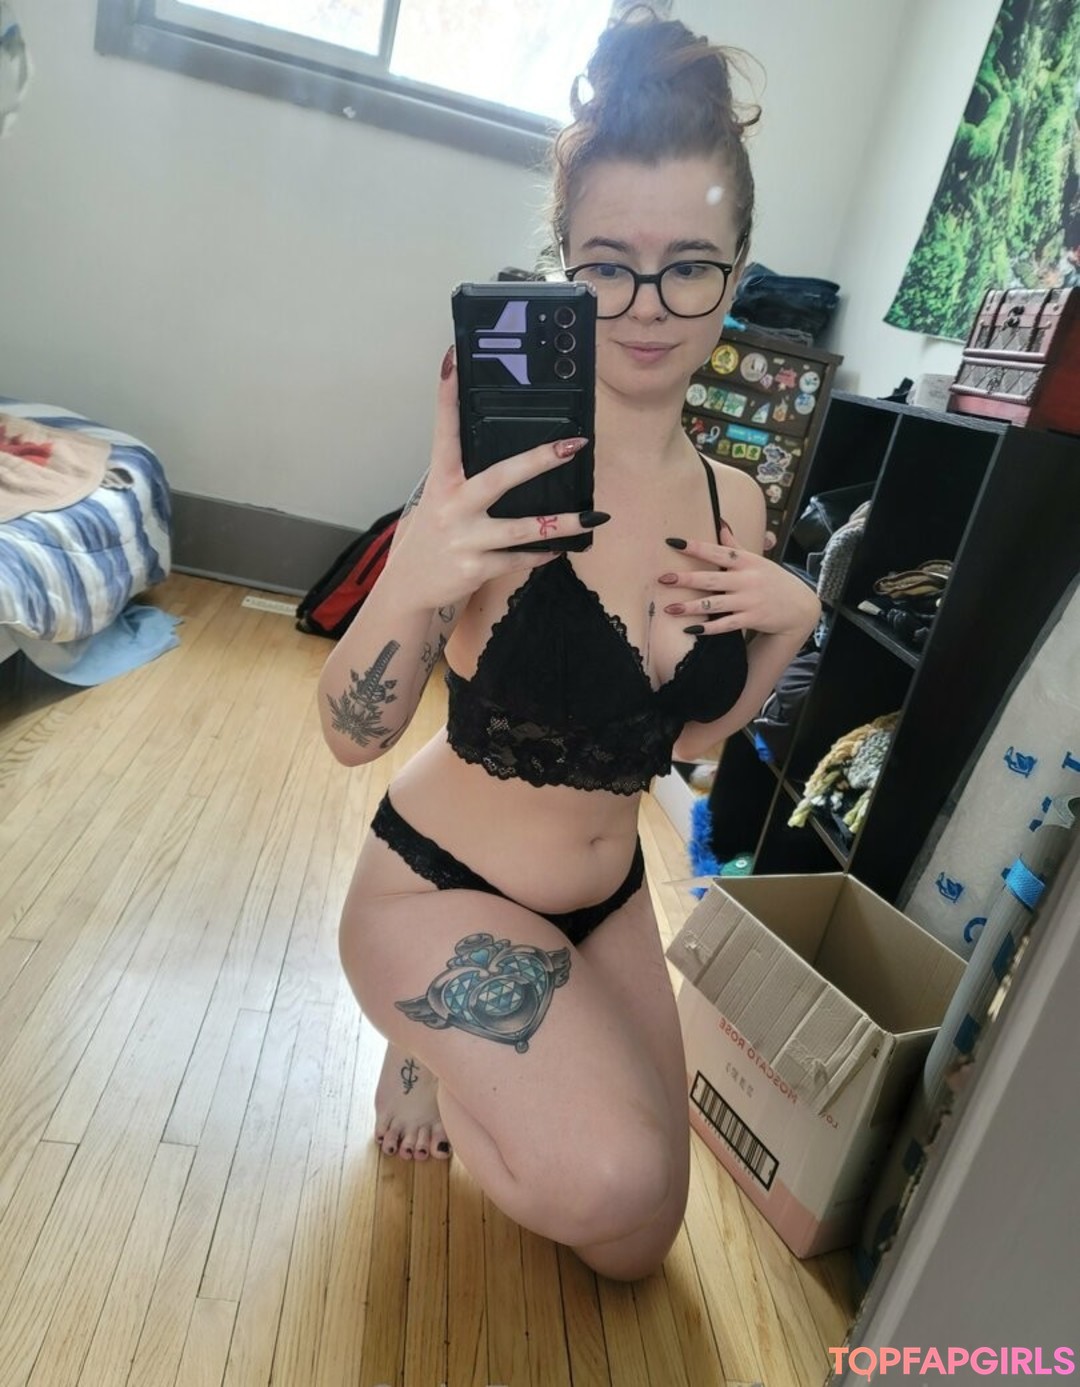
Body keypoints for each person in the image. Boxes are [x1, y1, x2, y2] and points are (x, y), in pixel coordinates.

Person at [318, 7, 820, 1283]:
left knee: (636, 1248)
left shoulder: (737, 504)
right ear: (564, 267)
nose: (648, 307)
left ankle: (489, 1052)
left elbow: (688, 739)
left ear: (738, 270)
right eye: (607, 266)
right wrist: (414, 575)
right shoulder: (509, 473)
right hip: (441, 881)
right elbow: (349, 730)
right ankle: (426, 1041)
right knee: (612, 1177)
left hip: (606, 894)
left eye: (689, 266)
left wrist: (791, 624)